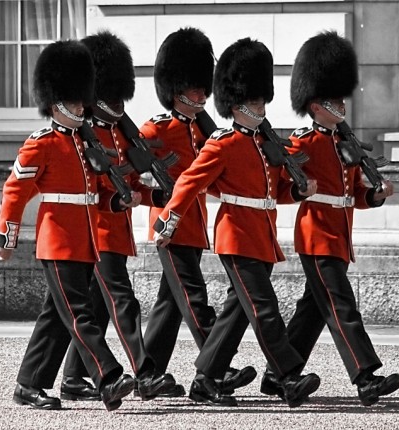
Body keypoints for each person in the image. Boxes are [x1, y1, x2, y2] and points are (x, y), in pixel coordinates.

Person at [153, 37, 320, 408]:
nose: (261, 107)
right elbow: (189, 181)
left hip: (261, 234)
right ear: (236, 103)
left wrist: (299, 192)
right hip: (236, 235)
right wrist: (170, 220)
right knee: (264, 308)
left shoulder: (262, 145)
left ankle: (206, 379)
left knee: (239, 312)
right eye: (254, 101)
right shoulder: (222, 143)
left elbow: (272, 193)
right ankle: (288, 376)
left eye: (262, 101)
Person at [259, 31, 399, 407]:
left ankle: (277, 376)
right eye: (333, 99)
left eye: (341, 98)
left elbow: (353, 195)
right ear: (315, 103)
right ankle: (365, 376)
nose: (341, 104)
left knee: (313, 310)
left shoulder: (345, 145)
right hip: (316, 235)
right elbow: (278, 187)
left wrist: (376, 194)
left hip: (339, 235)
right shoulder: (301, 142)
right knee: (341, 305)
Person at [0, 40, 134, 412]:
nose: (79, 106)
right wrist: (7, 237)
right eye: (72, 102)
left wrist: (117, 200)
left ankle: (29, 385)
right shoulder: (41, 144)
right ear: (55, 103)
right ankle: (108, 375)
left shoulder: (85, 143)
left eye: (80, 100)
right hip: (57, 241)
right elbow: (16, 190)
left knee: (56, 316)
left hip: (85, 240)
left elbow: (98, 193)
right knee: (79, 313)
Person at [58, 31, 178, 403]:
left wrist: (155, 194)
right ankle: (145, 372)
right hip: (95, 230)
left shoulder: (119, 130)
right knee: (123, 300)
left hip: (115, 228)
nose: (117, 101)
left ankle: (74, 379)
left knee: (95, 305)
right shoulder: (84, 133)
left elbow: (128, 186)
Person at [140, 27, 255, 397]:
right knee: (194, 296)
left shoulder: (204, 131)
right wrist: (149, 194)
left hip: (195, 225)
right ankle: (216, 368)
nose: (203, 94)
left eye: (204, 86)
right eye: (195, 88)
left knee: (169, 304)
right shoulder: (154, 131)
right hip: (169, 228)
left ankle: (149, 374)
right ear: (176, 91)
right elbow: (128, 168)